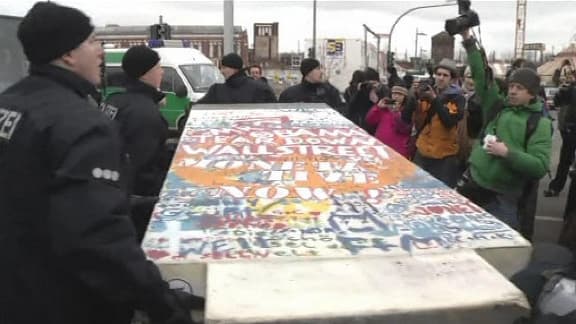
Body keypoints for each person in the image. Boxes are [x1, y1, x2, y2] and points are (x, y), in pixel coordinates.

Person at [0, 2, 199, 323]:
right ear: (67, 54)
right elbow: (98, 238)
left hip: (14, 292)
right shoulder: (80, 122)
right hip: (65, 300)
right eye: (93, 41)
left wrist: (145, 204)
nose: (101, 52)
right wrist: (162, 302)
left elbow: (46, 195)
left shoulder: (10, 105)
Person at [456, 27, 552, 230]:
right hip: (473, 183)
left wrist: (507, 153)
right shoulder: (498, 106)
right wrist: (467, 38)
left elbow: (540, 166)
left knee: (496, 255)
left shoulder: (540, 123)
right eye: (512, 86)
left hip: (503, 198)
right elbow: (481, 75)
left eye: (520, 88)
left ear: (532, 94)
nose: (513, 91)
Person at [103, 45, 170, 241]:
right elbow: (143, 167)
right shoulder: (144, 112)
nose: (162, 71)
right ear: (146, 74)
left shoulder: (115, 101)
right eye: (159, 67)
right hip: (136, 208)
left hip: (110, 195)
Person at [402, 58, 465, 187]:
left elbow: (449, 121)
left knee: (440, 194)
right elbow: (406, 118)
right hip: (423, 150)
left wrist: (435, 100)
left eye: (445, 75)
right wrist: (412, 95)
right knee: (415, 189)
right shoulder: (426, 91)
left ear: (452, 79)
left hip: (444, 156)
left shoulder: (457, 98)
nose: (441, 78)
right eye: (439, 74)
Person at [544, 72, 576, 197]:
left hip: (570, 127)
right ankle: (555, 187)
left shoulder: (571, 90)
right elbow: (558, 101)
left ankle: (556, 187)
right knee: (565, 159)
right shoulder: (571, 90)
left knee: (565, 160)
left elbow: (557, 101)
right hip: (571, 128)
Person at [199, 53, 276, 104]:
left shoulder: (217, 91)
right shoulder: (262, 88)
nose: (221, 71)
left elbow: (197, 109)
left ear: (234, 68)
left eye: (224, 68)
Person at [279, 58, 344, 111]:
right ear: (308, 72)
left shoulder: (330, 91)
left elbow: (341, 110)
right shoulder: (290, 94)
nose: (322, 72)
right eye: (318, 69)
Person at [365, 85, 412, 158]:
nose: (396, 96)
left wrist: (396, 113)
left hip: (397, 150)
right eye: (394, 94)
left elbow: (404, 129)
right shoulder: (385, 108)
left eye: (399, 94)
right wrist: (377, 107)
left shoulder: (407, 110)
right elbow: (370, 120)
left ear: (405, 97)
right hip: (381, 147)